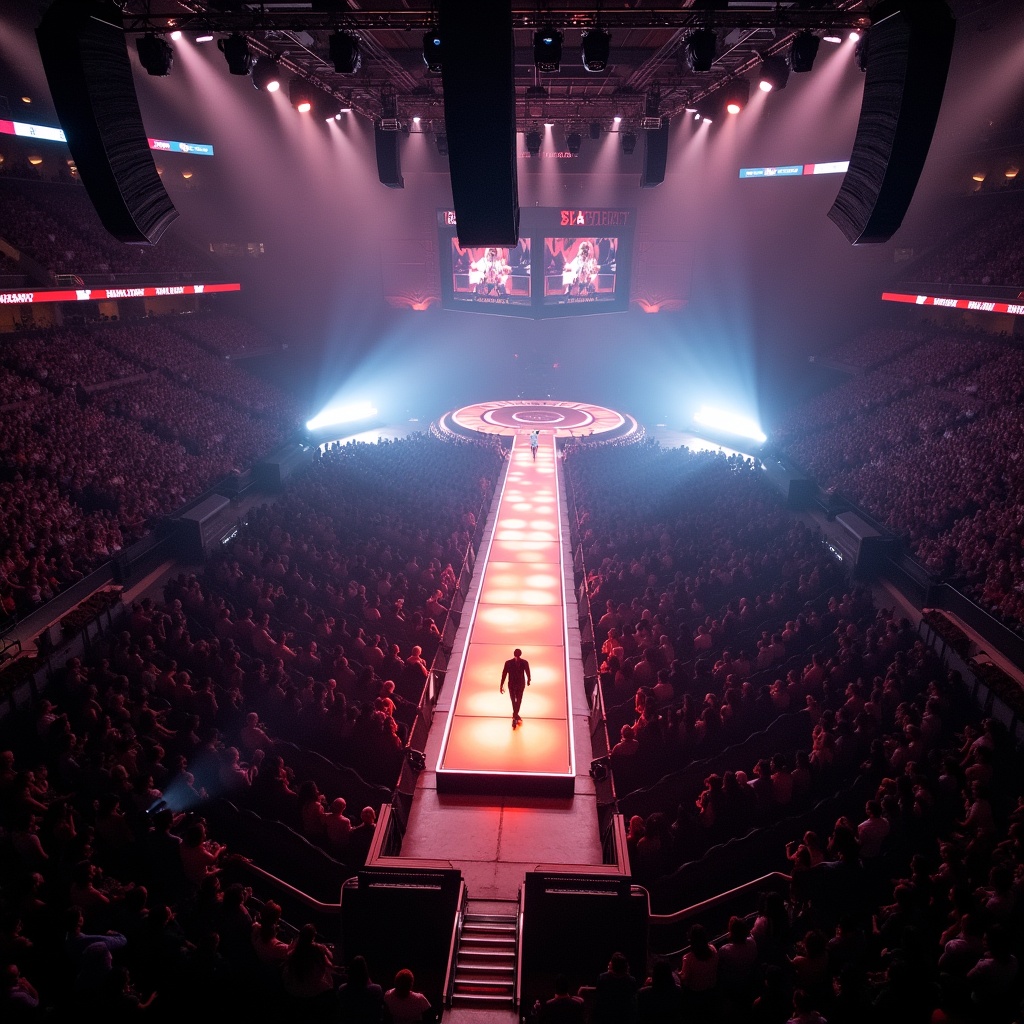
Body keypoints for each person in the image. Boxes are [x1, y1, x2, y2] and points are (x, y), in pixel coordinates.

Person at [500, 648, 531, 728]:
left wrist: (501, 685)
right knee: (517, 700)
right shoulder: (524, 662)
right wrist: (528, 680)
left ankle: (515, 715)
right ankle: (515, 715)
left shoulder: (509, 663)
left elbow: (504, 674)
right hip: (517, 684)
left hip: (514, 684)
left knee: (515, 700)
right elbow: (528, 672)